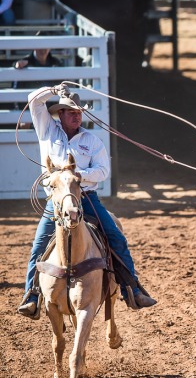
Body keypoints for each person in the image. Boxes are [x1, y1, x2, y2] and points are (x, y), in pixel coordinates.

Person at [17, 84, 157, 319]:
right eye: (71, 112)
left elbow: (103, 171)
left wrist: (81, 175)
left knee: (115, 237)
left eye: (79, 112)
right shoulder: (47, 130)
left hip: (87, 198)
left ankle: (131, 288)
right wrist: (52, 89)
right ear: (60, 114)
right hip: (57, 200)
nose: (76, 115)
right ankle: (32, 296)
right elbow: (33, 99)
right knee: (39, 245)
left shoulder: (92, 141)